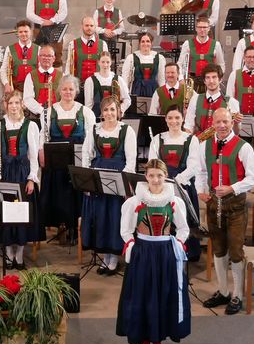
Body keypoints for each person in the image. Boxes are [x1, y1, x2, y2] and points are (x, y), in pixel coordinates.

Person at [116, 159, 190, 344]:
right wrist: (132, 245)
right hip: (143, 254)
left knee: (163, 295)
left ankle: (158, 342)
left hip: (165, 253)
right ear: (145, 177)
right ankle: (145, 342)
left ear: (165, 176)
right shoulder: (134, 202)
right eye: (151, 175)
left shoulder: (174, 201)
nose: (156, 180)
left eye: (159, 175)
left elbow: (183, 229)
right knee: (143, 296)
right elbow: (125, 230)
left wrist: (178, 244)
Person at [193, 108, 254, 314]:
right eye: (218, 122)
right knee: (219, 249)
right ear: (212, 123)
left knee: (236, 251)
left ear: (232, 122)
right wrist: (201, 190)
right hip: (214, 204)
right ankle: (223, 291)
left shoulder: (244, 147)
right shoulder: (204, 146)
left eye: (226, 122)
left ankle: (237, 294)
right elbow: (201, 172)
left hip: (235, 205)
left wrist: (232, 188)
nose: (222, 126)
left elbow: (253, 178)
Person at [81, 95, 137, 275]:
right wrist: (87, 182)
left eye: (113, 109)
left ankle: (113, 260)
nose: (109, 113)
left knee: (113, 218)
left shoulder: (127, 130)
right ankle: (105, 257)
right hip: (97, 178)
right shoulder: (94, 129)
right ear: (101, 112)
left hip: (117, 178)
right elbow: (86, 156)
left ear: (119, 112)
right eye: (106, 109)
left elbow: (131, 161)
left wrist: (124, 184)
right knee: (100, 217)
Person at [0, 91, 43, 269]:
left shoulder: (30, 125)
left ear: (22, 105)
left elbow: (33, 155)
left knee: (21, 215)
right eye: (10, 103)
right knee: (6, 215)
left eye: (17, 103)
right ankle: (8, 253)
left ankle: (19, 254)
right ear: (5, 105)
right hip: (5, 174)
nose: (13, 106)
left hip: (22, 174)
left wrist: (31, 179)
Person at [38, 75, 94, 242]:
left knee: (74, 193)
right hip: (55, 158)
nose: (68, 92)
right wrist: (41, 151)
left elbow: (90, 137)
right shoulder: (48, 111)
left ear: (76, 91)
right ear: (59, 91)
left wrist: (88, 160)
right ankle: (60, 224)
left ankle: (73, 227)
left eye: (71, 89)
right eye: (64, 89)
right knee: (58, 192)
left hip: (76, 157)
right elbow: (43, 134)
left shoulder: (85, 111)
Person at [147, 105, 202, 264]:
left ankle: (186, 252)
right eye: (170, 118)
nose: (174, 121)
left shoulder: (192, 139)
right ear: (165, 119)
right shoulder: (157, 139)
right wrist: (163, 180)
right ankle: (164, 252)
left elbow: (194, 167)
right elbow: (153, 164)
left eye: (177, 118)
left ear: (183, 118)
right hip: (162, 187)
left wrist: (177, 180)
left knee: (183, 222)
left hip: (183, 187)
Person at [183, 65, 236, 135]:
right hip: (198, 142)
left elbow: (235, 132)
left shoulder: (231, 102)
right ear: (204, 81)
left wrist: (237, 123)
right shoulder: (195, 99)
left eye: (214, 77)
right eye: (208, 78)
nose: (211, 81)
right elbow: (189, 125)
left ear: (220, 80)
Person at [176, 16, 226, 84]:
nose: (202, 30)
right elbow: (180, 64)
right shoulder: (187, 44)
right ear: (196, 29)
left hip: (210, 81)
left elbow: (221, 64)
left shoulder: (216, 44)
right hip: (192, 81)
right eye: (200, 27)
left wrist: (218, 78)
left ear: (209, 28)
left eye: (205, 27)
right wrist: (181, 78)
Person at [64, 15, 109, 88]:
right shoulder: (72, 44)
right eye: (87, 25)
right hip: (78, 86)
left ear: (95, 27)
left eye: (91, 25)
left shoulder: (103, 44)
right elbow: (69, 65)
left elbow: (106, 66)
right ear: (82, 26)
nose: (89, 28)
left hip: (97, 86)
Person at [84, 53, 131, 118]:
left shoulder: (119, 79)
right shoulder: (90, 81)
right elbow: (88, 104)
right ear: (98, 62)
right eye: (103, 62)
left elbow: (127, 99)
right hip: (97, 117)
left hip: (113, 118)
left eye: (107, 62)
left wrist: (120, 110)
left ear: (111, 62)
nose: (105, 65)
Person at [122, 32, 165, 102]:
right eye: (143, 41)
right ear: (139, 44)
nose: (145, 44)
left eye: (148, 41)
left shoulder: (159, 58)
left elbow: (161, 79)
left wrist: (162, 95)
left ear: (151, 43)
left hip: (154, 90)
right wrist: (125, 96)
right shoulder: (131, 58)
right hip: (137, 89)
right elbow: (125, 78)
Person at [21, 44, 59, 120]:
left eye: (49, 56)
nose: (46, 58)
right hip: (36, 117)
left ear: (54, 58)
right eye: (43, 55)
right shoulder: (31, 76)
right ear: (38, 58)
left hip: (57, 117)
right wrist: (42, 111)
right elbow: (27, 99)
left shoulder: (62, 76)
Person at [0, 20, 38, 96]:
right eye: (20, 32)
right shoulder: (9, 49)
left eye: (26, 31)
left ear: (30, 32)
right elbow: (3, 69)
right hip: (16, 89)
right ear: (17, 33)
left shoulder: (38, 49)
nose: (23, 34)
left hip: (33, 89)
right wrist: (6, 84)